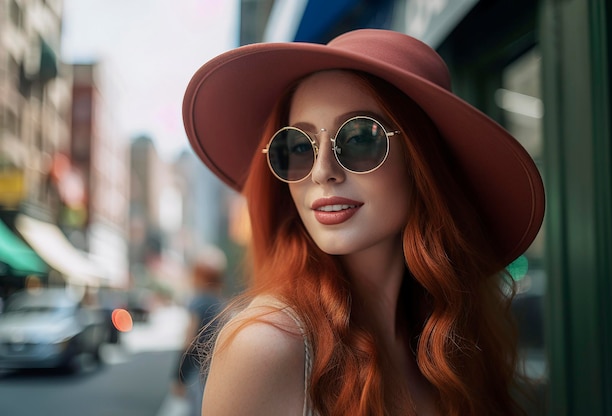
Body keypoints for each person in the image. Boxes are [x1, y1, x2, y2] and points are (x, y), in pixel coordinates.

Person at [182, 29, 545, 416]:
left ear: (420, 161)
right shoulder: (267, 345)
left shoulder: (455, 342)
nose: (322, 172)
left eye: (359, 138)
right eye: (299, 147)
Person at [170, 246, 227, 416]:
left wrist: (178, 377)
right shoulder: (222, 303)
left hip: (196, 372)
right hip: (217, 371)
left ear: (200, 276)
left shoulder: (198, 301)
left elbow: (189, 340)